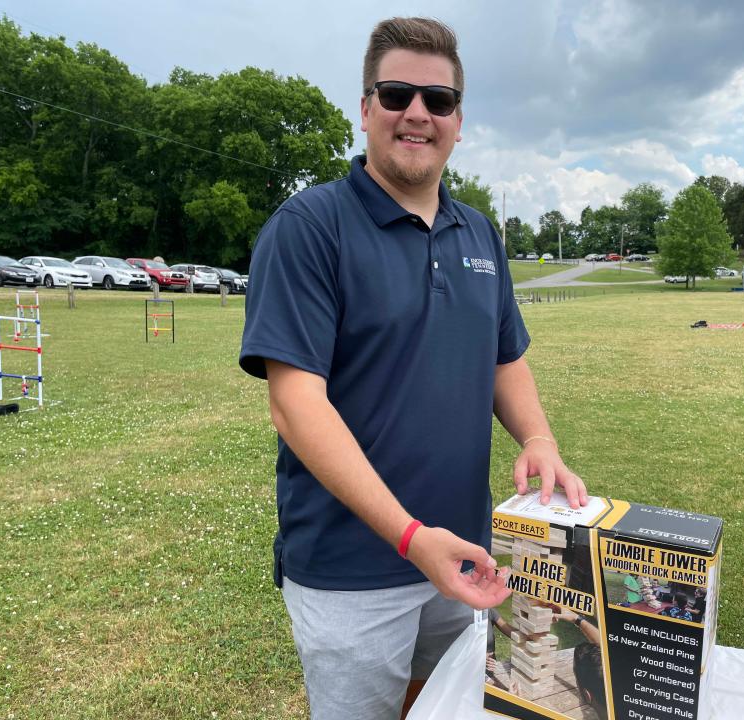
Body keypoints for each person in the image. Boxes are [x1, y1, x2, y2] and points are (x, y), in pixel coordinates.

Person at [238, 16, 585, 720]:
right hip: (352, 571)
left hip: (467, 553)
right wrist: (407, 536)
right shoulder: (309, 227)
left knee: (451, 708)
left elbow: (503, 358)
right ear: (365, 109)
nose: (417, 114)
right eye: (396, 95)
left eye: (439, 101)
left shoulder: (479, 230)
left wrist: (539, 440)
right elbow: (294, 403)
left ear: (459, 121)